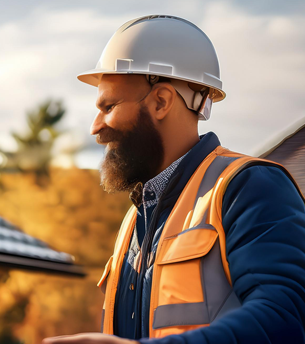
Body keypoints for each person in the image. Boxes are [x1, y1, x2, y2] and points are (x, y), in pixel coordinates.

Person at [43, 15, 305, 344]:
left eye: (108, 105)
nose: (96, 127)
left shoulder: (248, 187)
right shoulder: (133, 222)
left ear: (161, 102)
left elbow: (285, 320)